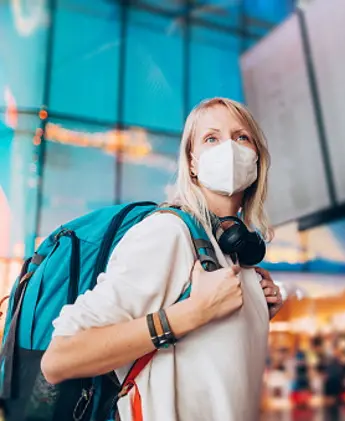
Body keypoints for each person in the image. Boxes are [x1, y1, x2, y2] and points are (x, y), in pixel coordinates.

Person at [39, 97, 284, 421]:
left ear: (256, 159)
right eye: (211, 138)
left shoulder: (239, 256)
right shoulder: (169, 233)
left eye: (242, 137)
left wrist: (259, 313)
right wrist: (194, 313)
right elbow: (59, 359)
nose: (229, 148)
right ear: (192, 163)